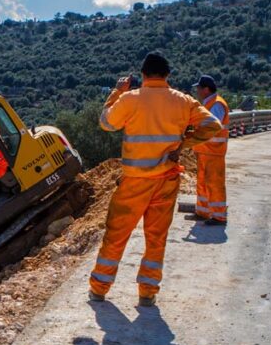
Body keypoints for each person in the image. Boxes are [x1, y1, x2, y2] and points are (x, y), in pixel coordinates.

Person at [89, 53, 222, 307]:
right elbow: (212, 125)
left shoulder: (130, 99)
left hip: (135, 181)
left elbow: (106, 123)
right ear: (167, 76)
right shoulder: (183, 101)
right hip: (166, 180)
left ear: (143, 75)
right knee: (156, 237)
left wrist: (117, 93)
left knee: (117, 234)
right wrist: (184, 143)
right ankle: (147, 292)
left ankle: (99, 288)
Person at [190, 75, 229, 226]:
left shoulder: (217, 104)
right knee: (203, 183)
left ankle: (219, 216)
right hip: (206, 151)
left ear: (206, 89)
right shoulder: (209, 103)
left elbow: (212, 126)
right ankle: (203, 211)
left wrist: (193, 136)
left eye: (199, 88)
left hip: (214, 152)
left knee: (214, 184)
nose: (197, 91)